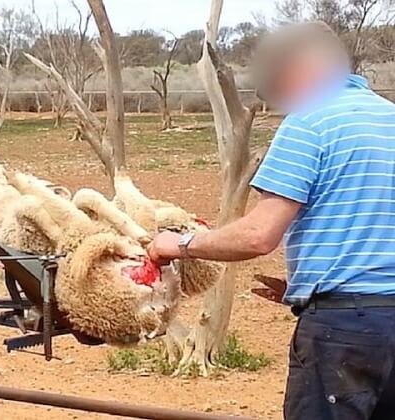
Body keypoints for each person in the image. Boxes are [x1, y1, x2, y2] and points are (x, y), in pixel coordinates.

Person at [147, 21, 395, 420]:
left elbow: (259, 235)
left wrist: (178, 245)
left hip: (343, 333)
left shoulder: (311, 122)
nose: (284, 107)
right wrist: (306, 285)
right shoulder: (389, 119)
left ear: (297, 71)